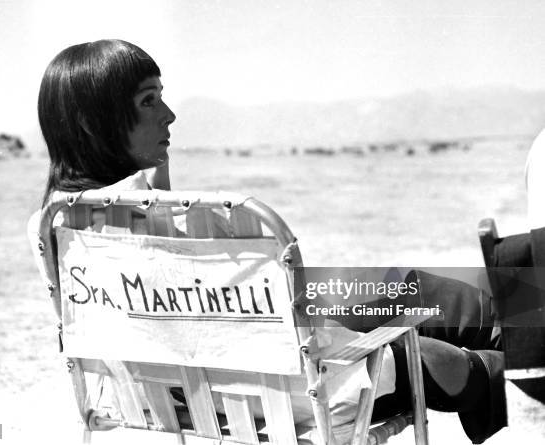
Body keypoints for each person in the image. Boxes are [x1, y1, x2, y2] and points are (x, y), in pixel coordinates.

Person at [28, 39, 505, 444]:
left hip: (197, 390)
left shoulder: (54, 229)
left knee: (383, 286)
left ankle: (514, 323)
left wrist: (157, 186)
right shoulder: (171, 218)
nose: (170, 115)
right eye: (149, 101)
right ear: (96, 124)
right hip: (301, 387)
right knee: (430, 313)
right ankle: (518, 345)